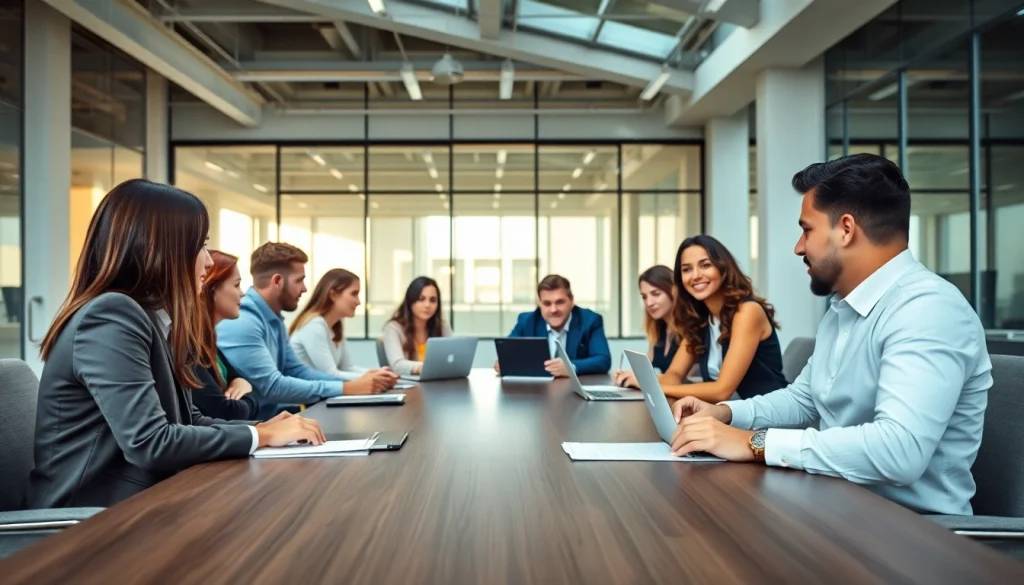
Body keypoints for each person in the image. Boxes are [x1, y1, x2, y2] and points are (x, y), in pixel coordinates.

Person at [669, 154, 992, 516]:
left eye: (807, 229)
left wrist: (754, 443)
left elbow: (899, 451)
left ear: (846, 229)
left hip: (910, 533)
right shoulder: (843, 309)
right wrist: (726, 413)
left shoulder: (928, 309)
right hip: (835, 505)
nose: (798, 247)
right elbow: (805, 401)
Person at [25, 180, 324, 509]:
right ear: (161, 250)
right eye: (200, 246)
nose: (209, 262)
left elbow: (186, 420)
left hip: (142, 503)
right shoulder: (111, 316)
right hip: (87, 521)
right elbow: (149, 442)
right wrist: (263, 437)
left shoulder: (150, 318)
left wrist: (261, 428)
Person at [217, 243, 394, 419]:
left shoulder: (274, 319)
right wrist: (347, 387)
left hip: (274, 421)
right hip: (254, 429)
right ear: (277, 281)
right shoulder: (242, 321)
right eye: (299, 280)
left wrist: (355, 384)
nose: (305, 288)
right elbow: (272, 386)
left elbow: (296, 370)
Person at [619, 236, 787, 401]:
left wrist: (651, 387)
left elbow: (722, 390)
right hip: (730, 413)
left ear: (723, 268)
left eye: (705, 265)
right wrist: (642, 381)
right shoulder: (701, 319)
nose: (696, 275)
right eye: (687, 269)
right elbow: (675, 373)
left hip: (769, 416)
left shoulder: (747, 312)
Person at [290, 268, 397, 382]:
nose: (358, 302)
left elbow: (348, 368)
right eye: (354, 294)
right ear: (333, 295)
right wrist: (373, 378)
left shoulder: (335, 326)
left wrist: (377, 373)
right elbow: (330, 375)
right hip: (304, 399)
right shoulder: (314, 326)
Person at [192, 250, 260, 420]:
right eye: (236, 285)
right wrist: (248, 394)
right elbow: (227, 411)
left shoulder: (208, 341)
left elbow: (244, 382)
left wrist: (242, 383)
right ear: (211, 290)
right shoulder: (190, 346)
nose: (243, 293)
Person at [501, 274, 611, 377]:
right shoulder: (527, 321)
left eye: (560, 302)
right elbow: (507, 355)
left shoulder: (590, 321)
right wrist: (504, 363)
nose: (553, 310)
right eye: (547, 304)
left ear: (571, 301)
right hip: (537, 392)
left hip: (576, 392)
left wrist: (570, 367)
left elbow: (603, 360)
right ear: (539, 304)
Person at [611, 266, 678, 385]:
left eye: (656, 294)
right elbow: (647, 370)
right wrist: (626, 375)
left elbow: (684, 378)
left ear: (673, 292)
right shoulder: (658, 328)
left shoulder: (690, 330)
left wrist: (640, 378)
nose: (649, 303)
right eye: (644, 297)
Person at [381, 276, 452, 376]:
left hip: (438, 385)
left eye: (433, 300)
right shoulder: (393, 328)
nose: (427, 305)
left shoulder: (443, 326)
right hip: (408, 387)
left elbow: (451, 360)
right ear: (410, 301)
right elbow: (397, 365)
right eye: (421, 299)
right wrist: (425, 367)